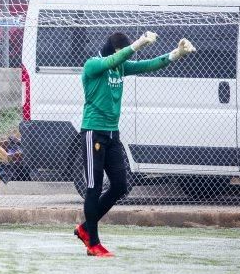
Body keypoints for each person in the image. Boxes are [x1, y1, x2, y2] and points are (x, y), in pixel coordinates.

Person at [75, 31, 196, 257]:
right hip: (93, 132)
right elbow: (113, 60)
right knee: (93, 188)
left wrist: (176, 54)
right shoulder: (93, 65)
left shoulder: (120, 66)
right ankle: (93, 242)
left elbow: (148, 65)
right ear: (114, 50)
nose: (124, 58)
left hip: (112, 134)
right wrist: (138, 45)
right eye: (123, 52)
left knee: (120, 186)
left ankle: (84, 228)